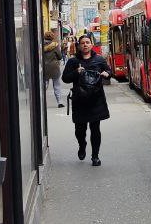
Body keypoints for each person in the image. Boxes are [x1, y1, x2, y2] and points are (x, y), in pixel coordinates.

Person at [62, 34, 112, 166]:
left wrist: (107, 74)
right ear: (79, 45)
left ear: (91, 44)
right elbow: (65, 78)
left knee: (95, 129)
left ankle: (95, 156)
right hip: (80, 100)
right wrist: (76, 72)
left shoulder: (99, 60)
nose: (85, 44)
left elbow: (108, 71)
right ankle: (82, 145)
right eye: (83, 42)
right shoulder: (73, 62)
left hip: (96, 100)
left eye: (88, 42)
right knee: (80, 130)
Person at [42, 30, 64, 107]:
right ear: (52, 37)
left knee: (44, 85)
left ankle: (42, 101)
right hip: (54, 67)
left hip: (44, 67)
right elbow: (60, 56)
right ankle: (59, 102)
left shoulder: (41, 45)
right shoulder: (55, 45)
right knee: (57, 85)